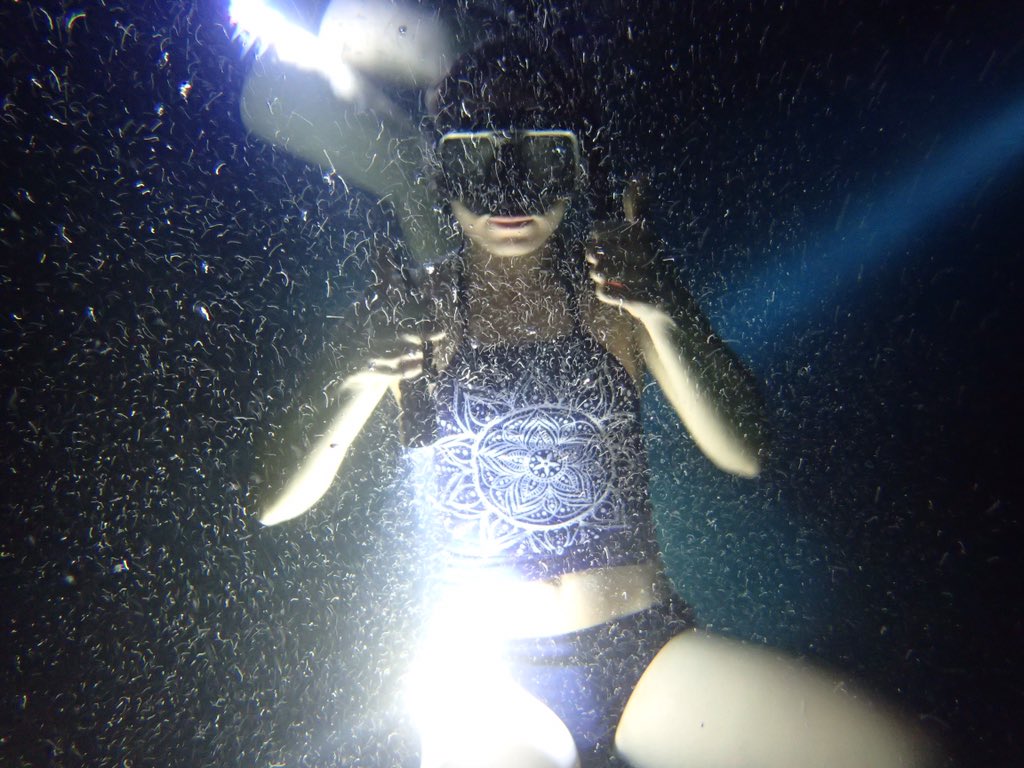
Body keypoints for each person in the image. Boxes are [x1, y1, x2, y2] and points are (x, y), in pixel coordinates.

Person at [239, 8, 939, 768]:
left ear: (578, 168)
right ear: (441, 173)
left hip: (646, 647)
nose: (510, 197)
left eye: (541, 162)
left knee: (907, 756)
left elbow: (746, 451)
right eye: (480, 165)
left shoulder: (623, 293)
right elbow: (273, 501)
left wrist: (666, 312)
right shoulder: (406, 310)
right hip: (484, 677)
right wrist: (359, 373)